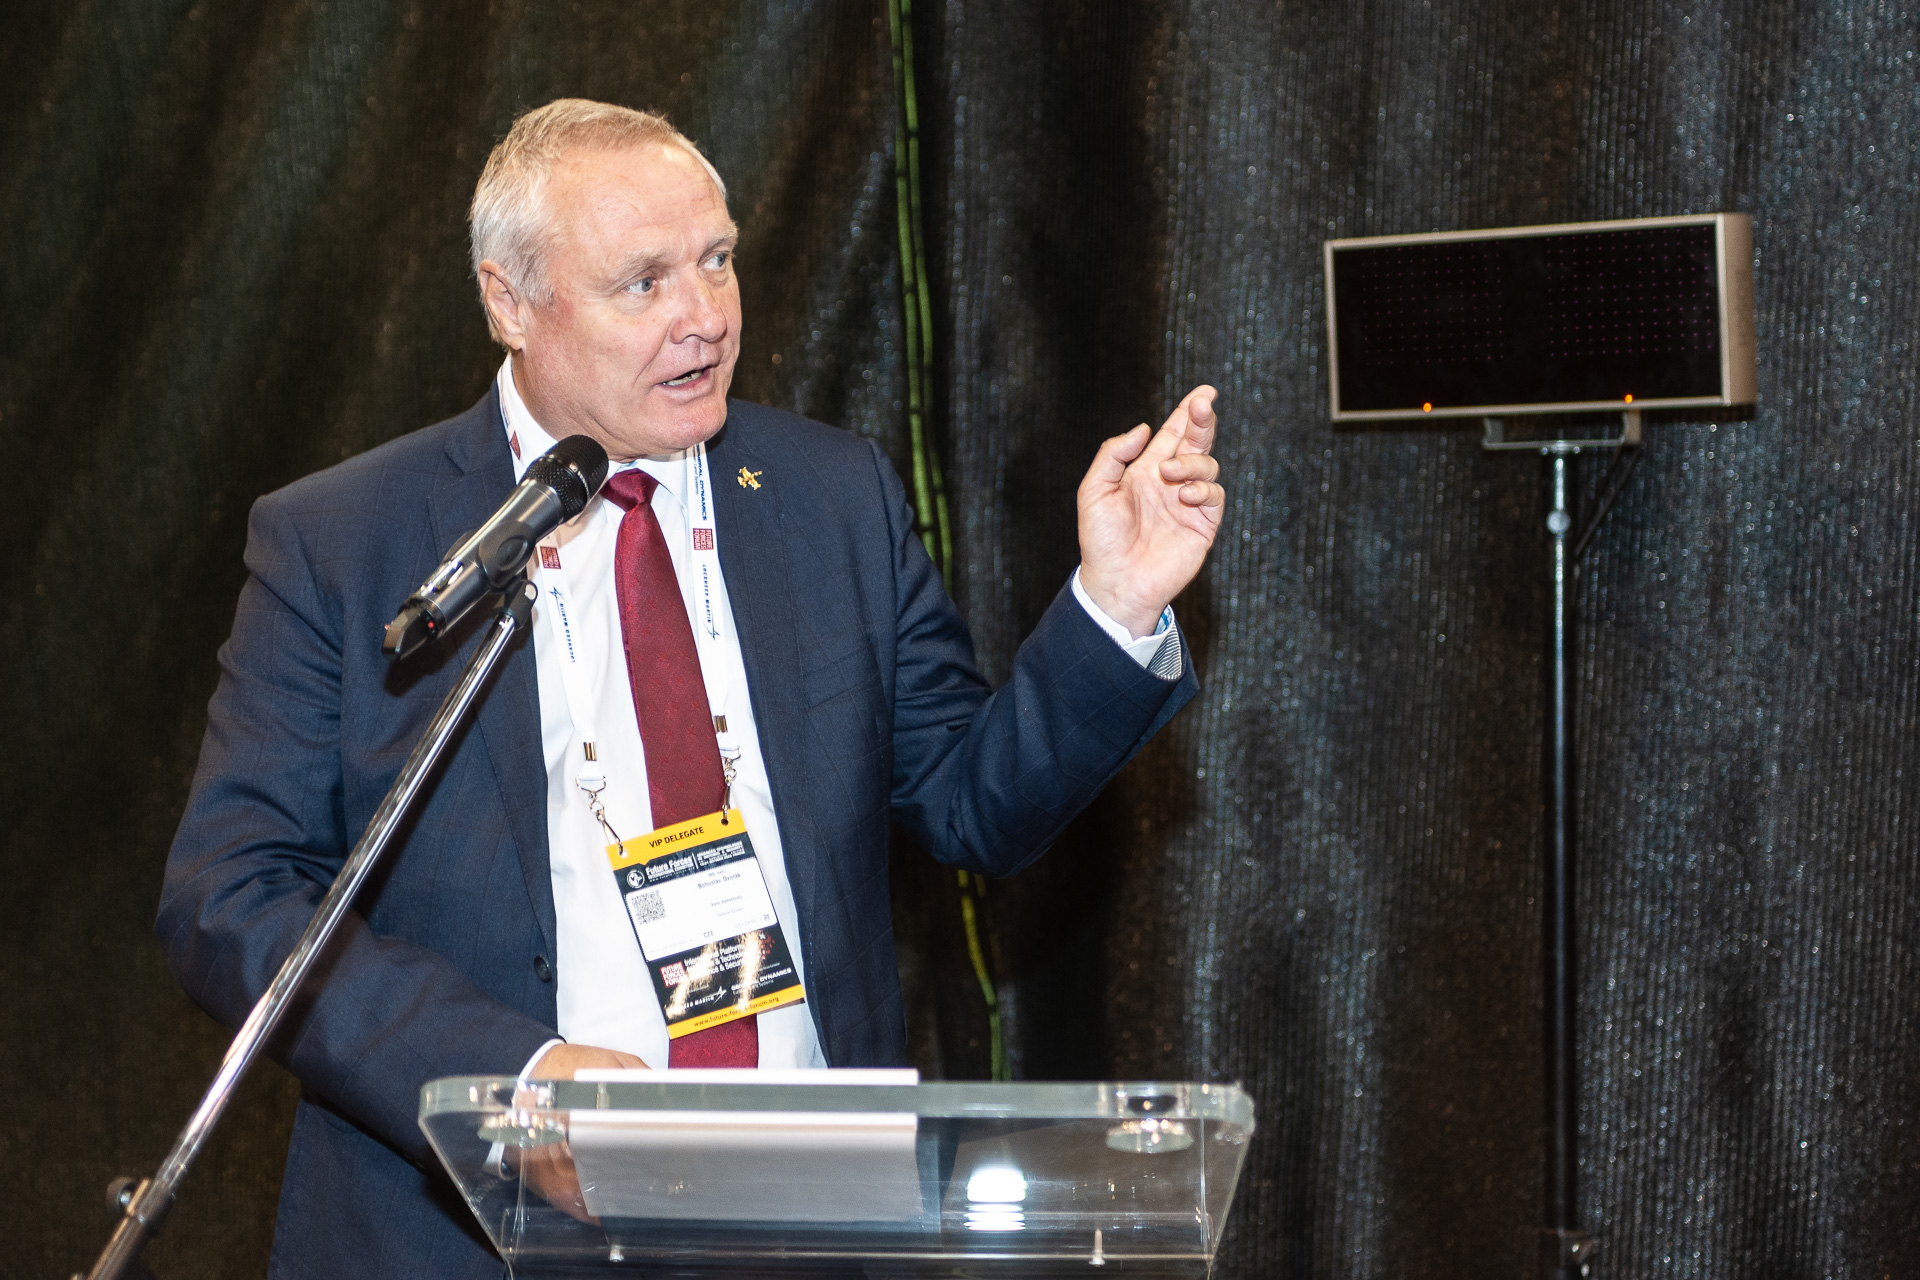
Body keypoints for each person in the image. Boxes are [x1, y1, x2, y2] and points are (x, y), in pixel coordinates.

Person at [158, 98, 1224, 1278]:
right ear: (509, 302)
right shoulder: (348, 540)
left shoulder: (830, 496)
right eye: (644, 282)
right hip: (477, 1233)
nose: (704, 316)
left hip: (810, 1223)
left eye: (718, 259)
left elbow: (976, 804)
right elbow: (231, 892)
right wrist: (514, 1079)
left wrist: (1114, 607)